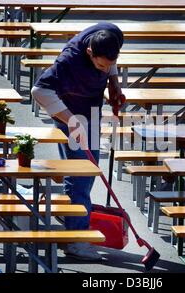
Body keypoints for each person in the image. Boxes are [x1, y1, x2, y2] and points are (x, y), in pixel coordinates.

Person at [31, 22, 125, 261]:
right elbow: (39, 91)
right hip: (69, 114)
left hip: (90, 112)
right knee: (80, 177)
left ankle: (71, 215)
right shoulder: (68, 61)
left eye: (110, 64)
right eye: (101, 65)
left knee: (87, 172)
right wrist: (71, 121)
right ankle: (75, 239)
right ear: (90, 53)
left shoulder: (112, 34)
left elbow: (110, 65)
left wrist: (114, 83)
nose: (106, 69)